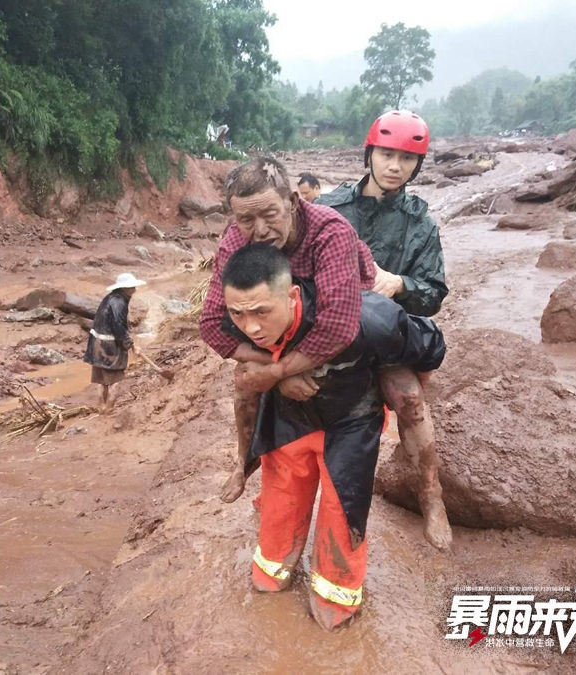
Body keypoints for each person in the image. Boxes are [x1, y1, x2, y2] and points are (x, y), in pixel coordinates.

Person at [220, 243, 446, 630]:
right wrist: (277, 372)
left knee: (342, 515)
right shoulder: (236, 320)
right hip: (289, 420)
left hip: (350, 422)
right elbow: (240, 359)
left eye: (261, 312)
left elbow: (430, 345)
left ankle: (431, 494)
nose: (251, 327)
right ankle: (248, 479)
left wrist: (405, 379)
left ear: (291, 297)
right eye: (238, 314)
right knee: (278, 514)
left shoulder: (371, 317)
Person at [199, 156, 377, 505]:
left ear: (293, 202)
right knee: (244, 381)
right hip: (285, 326)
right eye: (246, 219)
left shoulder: (330, 232)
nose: (260, 230)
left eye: (270, 214)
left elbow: (339, 327)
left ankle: (429, 490)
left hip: (357, 318)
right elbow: (210, 324)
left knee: (406, 394)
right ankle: (243, 460)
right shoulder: (236, 239)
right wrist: (275, 374)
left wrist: (276, 370)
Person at [316, 110, 452, 550]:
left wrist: (400, 284)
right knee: (282, 388)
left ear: (418, 165)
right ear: (370, 153)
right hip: (331, 331)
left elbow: (433, 294)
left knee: (410, 399)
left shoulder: (421, 223)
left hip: (387, 336)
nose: (395, 166)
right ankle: (264, 478)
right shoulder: (328, 208)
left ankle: (432, 497)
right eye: (387, 154)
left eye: (407, 159)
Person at [83, 272, 146, 413]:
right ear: (125, 288)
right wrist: (132, 345)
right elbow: (119, 328)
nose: (134, 290)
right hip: (109, 347)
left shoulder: (108, 298)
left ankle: (101, 408)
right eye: (132, 287)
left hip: (96, 343)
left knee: (101, 380)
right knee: (116, 379)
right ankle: (109, 411)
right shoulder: (120, 303)